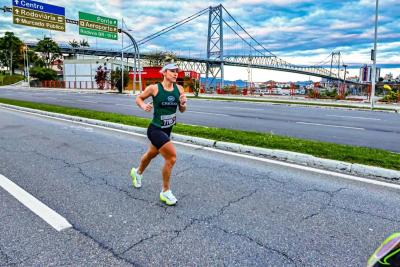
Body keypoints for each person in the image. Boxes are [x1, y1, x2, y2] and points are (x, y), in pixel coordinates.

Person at [131, 62, 187, 206]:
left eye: (177, 72)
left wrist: (183, 104)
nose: (176, 74)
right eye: (172, 71)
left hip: (168, 129)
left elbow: (182, 110)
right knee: (172, 157)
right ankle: (165, 191)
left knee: (151, 154)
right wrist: (144, 106)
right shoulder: (154, 88)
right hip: (155, 129)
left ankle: (137, 172)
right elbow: (138, 98)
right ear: (164, 72)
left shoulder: (179, 89)